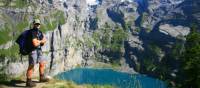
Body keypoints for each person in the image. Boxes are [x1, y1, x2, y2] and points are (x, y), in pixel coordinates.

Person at [26, 19, 49, 87]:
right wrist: (41, 41)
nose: (37, 25)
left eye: (38, 24)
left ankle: (42, 77)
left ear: (40, 25)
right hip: (32, 51)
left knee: (42, 63)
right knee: (31, 65)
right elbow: (35, 44)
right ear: (33, 24)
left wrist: (39, 41)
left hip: (39, 50)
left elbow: (44, 40)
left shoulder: (39, 32)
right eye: (36, 24)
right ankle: (28, 81)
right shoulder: (32, 32)